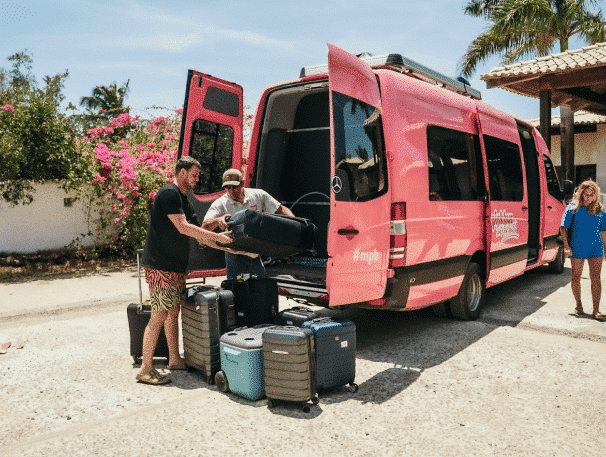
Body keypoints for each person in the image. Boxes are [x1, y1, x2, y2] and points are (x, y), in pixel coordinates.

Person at [137, 157, 241, 385]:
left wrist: (228, 245)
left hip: (175, 267)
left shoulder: (184, 199)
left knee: (173, 312)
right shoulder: (169, 194)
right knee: (159, 315)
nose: (197, 178)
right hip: (160, 267)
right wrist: (218, 237)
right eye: (193, 174)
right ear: (181, 172)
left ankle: (174, 359)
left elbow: (199, 233)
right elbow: (184, 228)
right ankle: (145, 368)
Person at [202, 168, 295, 279]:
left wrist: (295, 225)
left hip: (255, 254)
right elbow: (204, 227)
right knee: (239, 287)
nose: (231, 190)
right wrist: (217, 220)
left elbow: (280, 209)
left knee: (258, 286)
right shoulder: (220, 203)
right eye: (227, 187)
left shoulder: (258, 195)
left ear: (242, 183)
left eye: (234, 186)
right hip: (235, 256)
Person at [560, 179, 606, 322]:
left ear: (595, 195)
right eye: (585, 194)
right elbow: (563, 228)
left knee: (596, 278)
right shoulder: (572, 208)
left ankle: (596, 310)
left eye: (591, 195)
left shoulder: (600, 210)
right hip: (577, 247)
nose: (587, 198)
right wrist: (566, 246)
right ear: (581, 193)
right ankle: (579, 306)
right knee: (576, 276)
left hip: (596, 248)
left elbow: (604, 232)